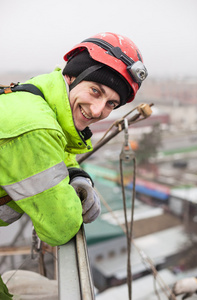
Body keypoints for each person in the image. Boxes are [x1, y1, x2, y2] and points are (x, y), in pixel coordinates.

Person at [0, 32, 148, 298]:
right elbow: (61, 227)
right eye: (95, 91)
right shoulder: (35, 127)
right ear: (72, 77)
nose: (97, 110)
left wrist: (78, 176)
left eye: (111, 103)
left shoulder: (36, 95)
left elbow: (59, 150)